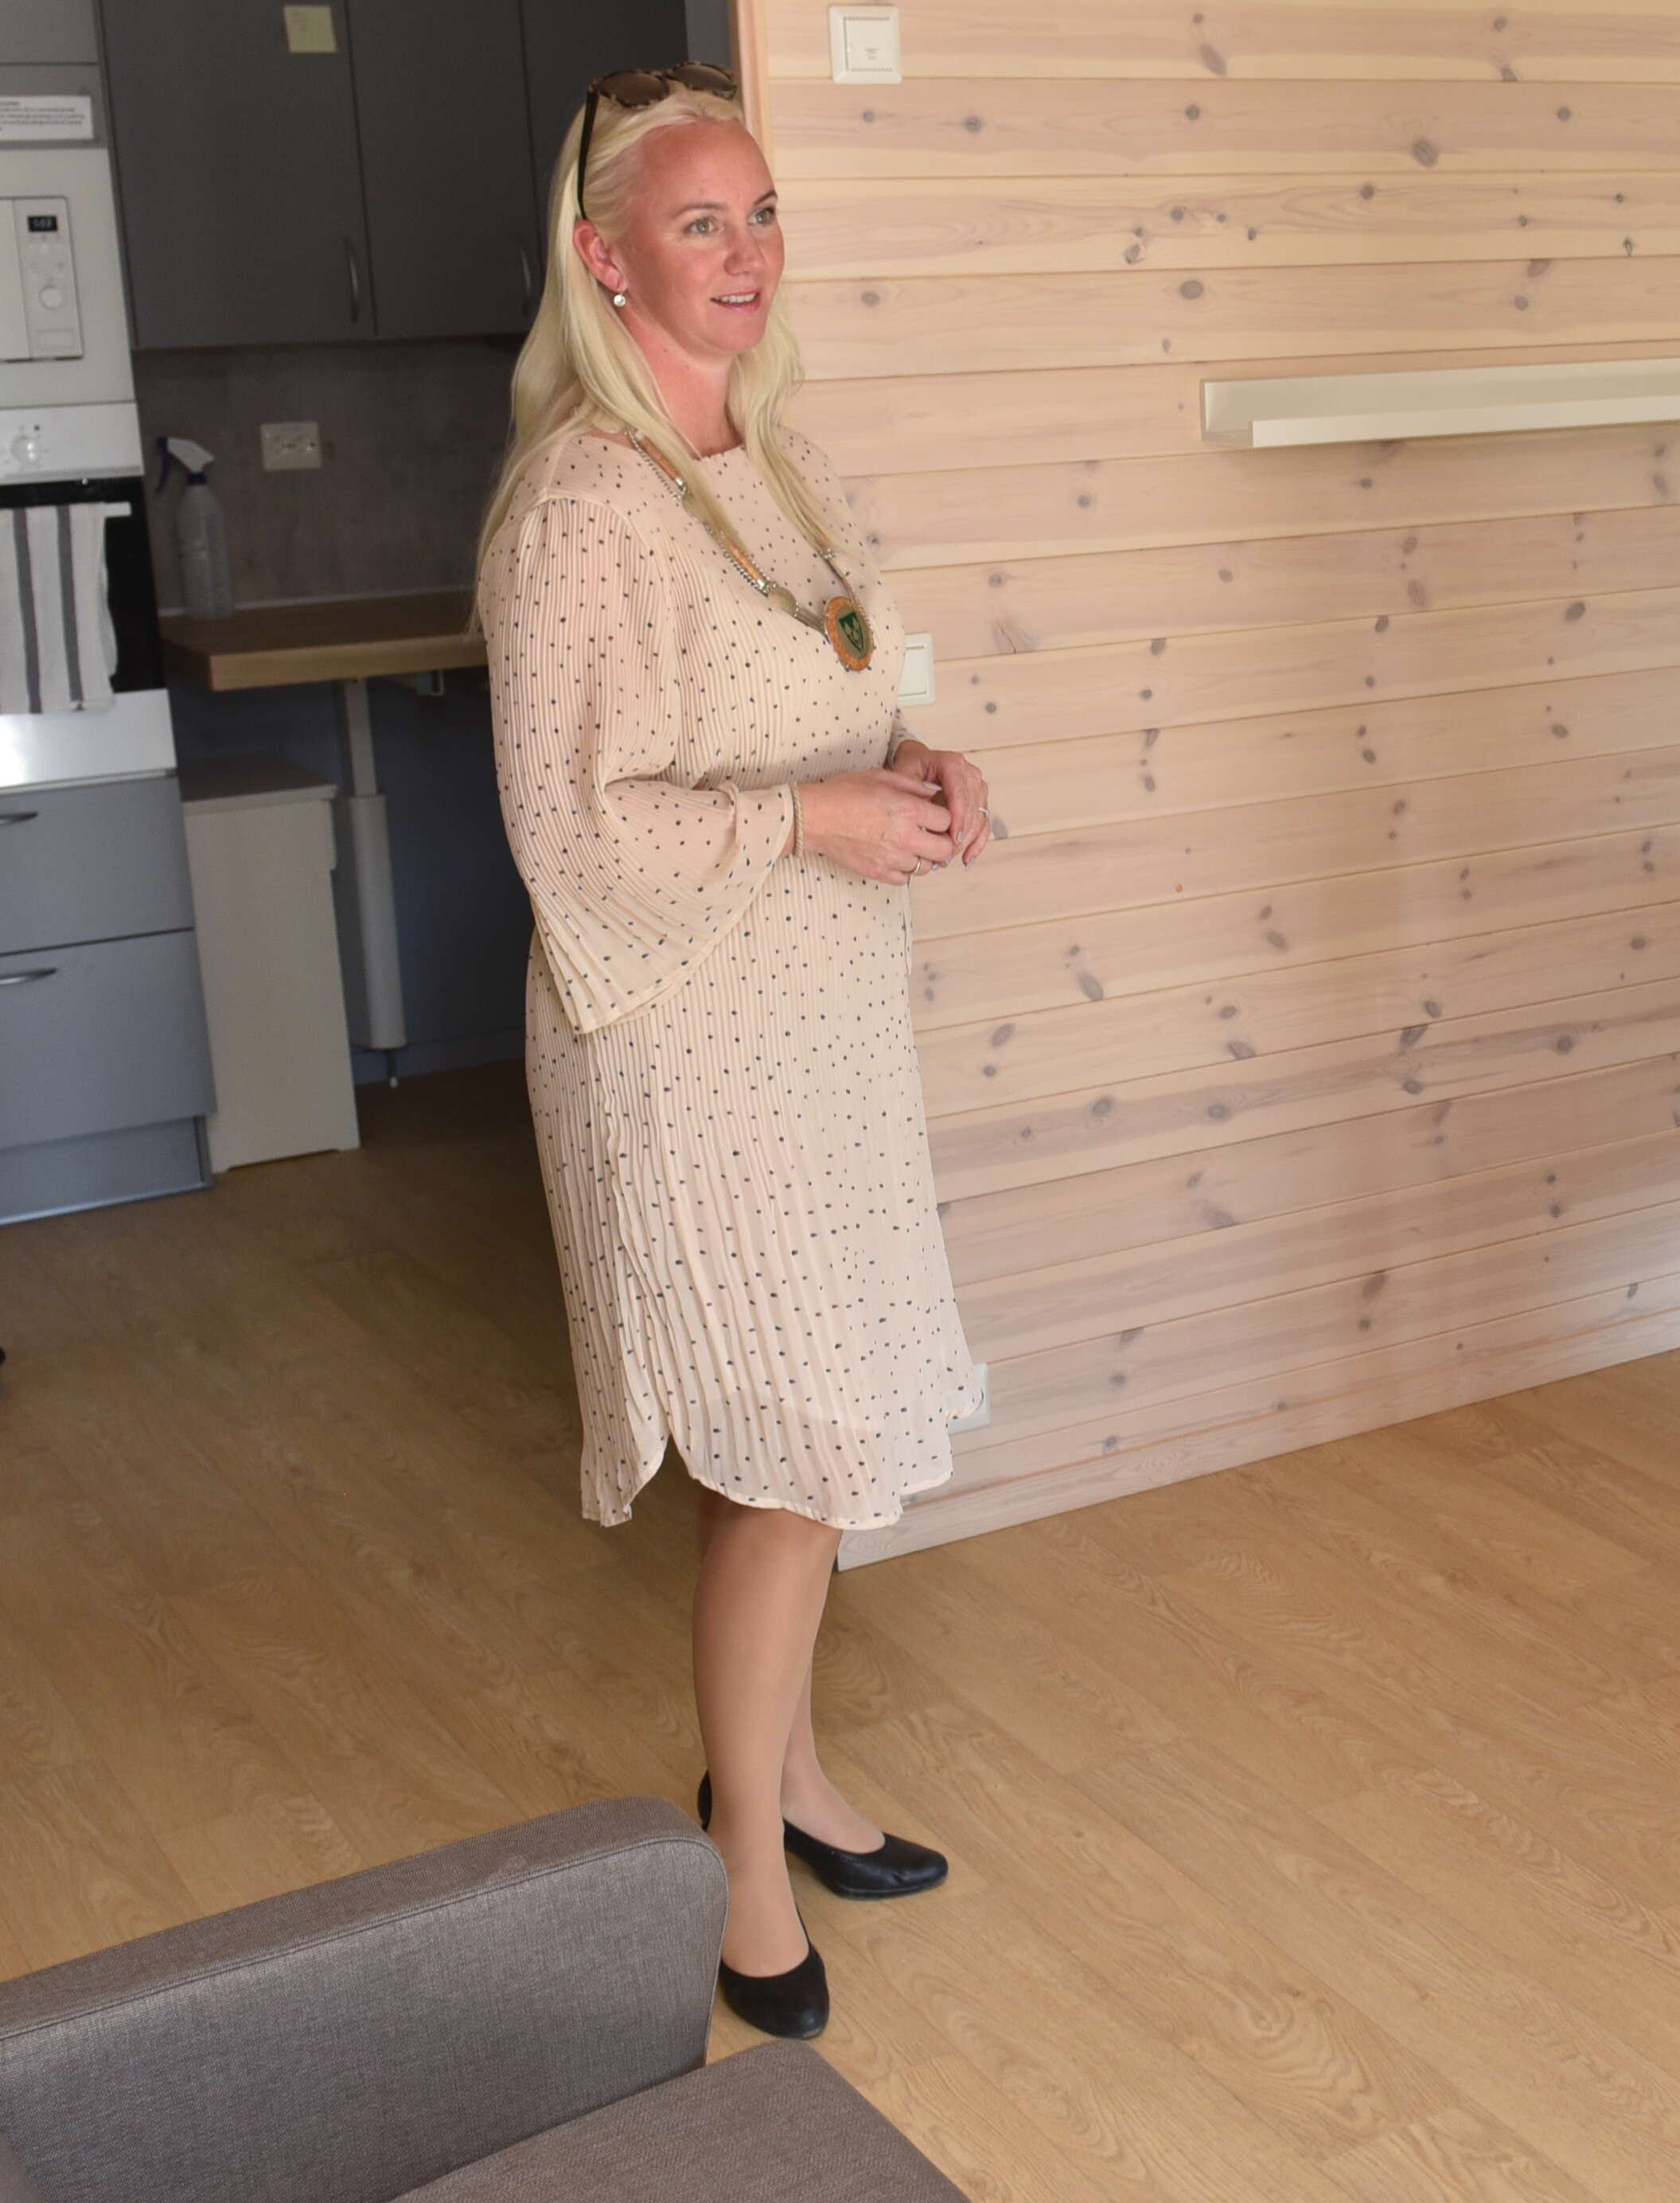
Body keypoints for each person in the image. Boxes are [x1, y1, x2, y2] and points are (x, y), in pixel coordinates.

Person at [475, 64, 993, 2041]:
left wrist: (914, 768)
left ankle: (785, 1773)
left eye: (762, 213)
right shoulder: (578, 508)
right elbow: (569, 828)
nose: (748, 253)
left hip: (820, 1021)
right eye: (701, 222)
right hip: (680, 1036)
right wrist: (811, 821)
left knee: (810, 1442)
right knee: (785, 1455)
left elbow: (826, 693)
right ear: (603, 258)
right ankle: (744, 1877)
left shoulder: (776, 452)